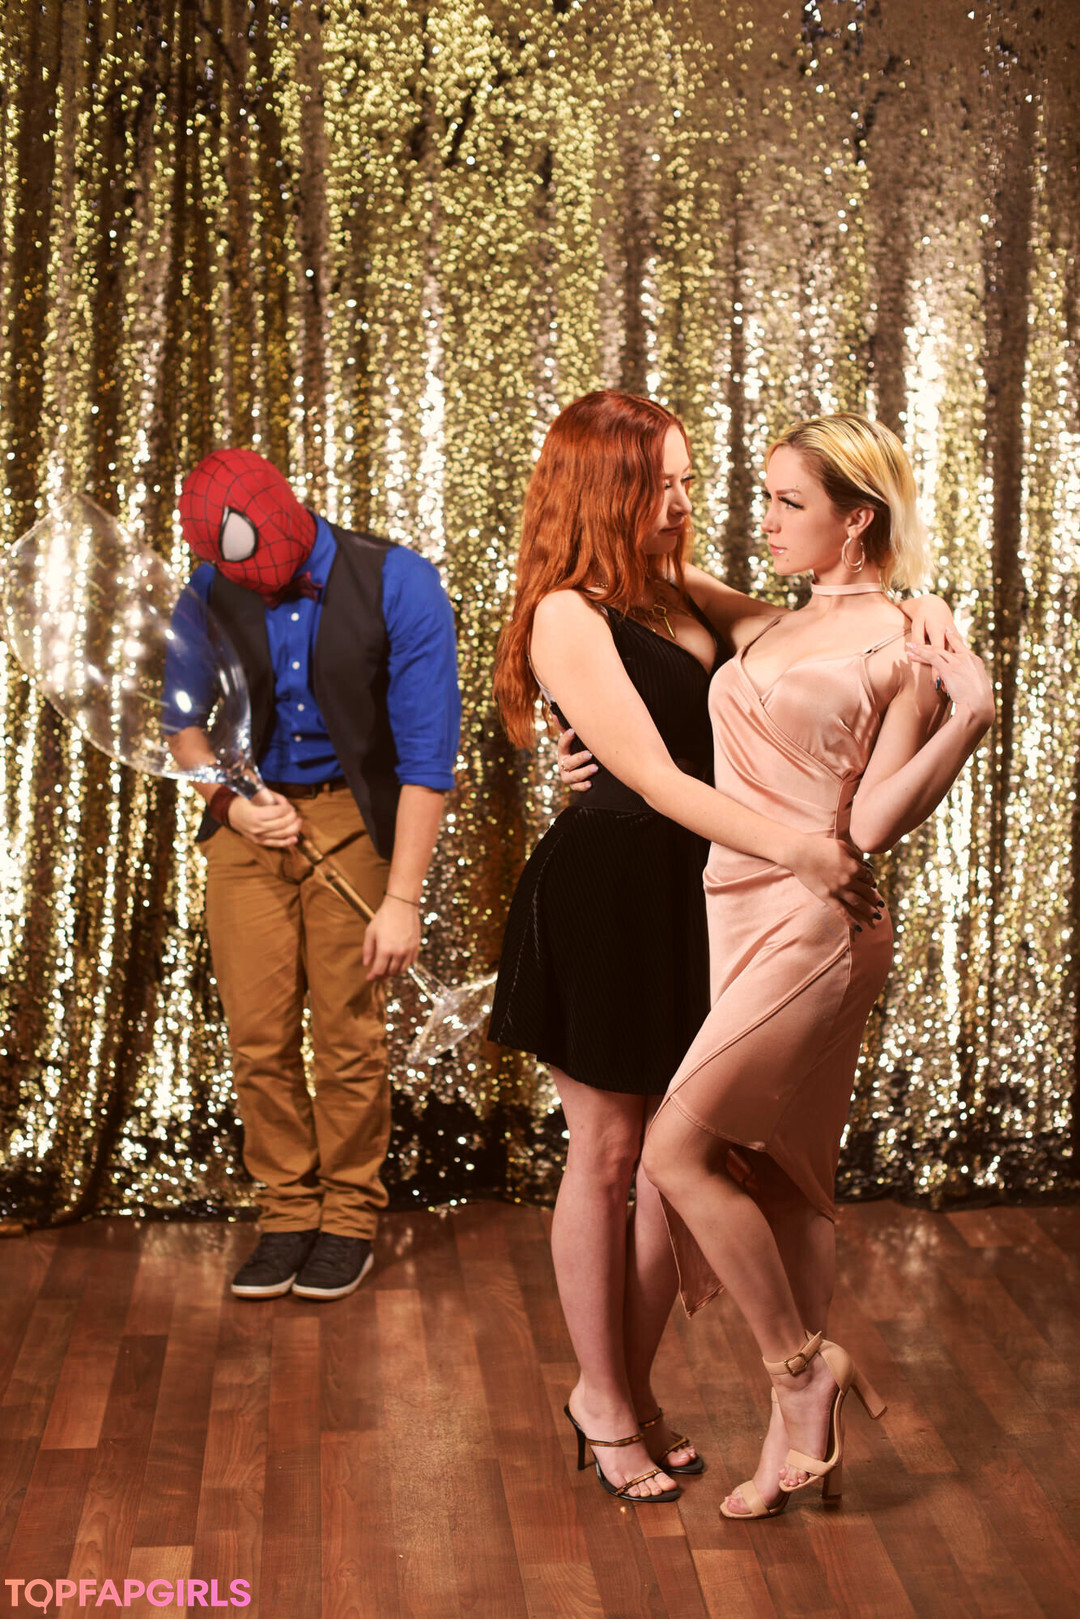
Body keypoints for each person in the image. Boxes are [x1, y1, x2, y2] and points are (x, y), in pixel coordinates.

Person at [489, 391, 959, 1502]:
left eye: (688, 480)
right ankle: (604, 1399)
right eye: (661, 483)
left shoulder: (673, 589)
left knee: (674, 1165)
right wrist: (800, 846)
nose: (685, 501)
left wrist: (917, 610)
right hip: (607, 891)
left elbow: (813, 628)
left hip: (696, 892)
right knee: (612, 1154)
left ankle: (629, 1393)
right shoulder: (566, 613)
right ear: (603, 488)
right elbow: (655, 779)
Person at [631, 412, 993, 1519]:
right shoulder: (773, 620)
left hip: (819, 919)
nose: (768, 518)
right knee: (786, 1173)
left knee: (676, 1149)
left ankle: (801, 1369)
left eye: (792, 502)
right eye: (768, 496)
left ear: (857, 519)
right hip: (734, 909)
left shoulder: (903, 649)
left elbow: (871, 822)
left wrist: (969, 715)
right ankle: (797, 1431)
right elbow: (651, 575)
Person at [166, 448, 459, 1301]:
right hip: (251, 813)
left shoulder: (400, 581)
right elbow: (182, 725)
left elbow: (427, 759)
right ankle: (287, 1211)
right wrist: (228, 803)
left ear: (291, 516)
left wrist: (402, 900)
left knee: (347, 1032)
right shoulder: (208, 584)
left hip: (353, 814)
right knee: (257, 1034)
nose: (251, 588)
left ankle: (349, 1216)